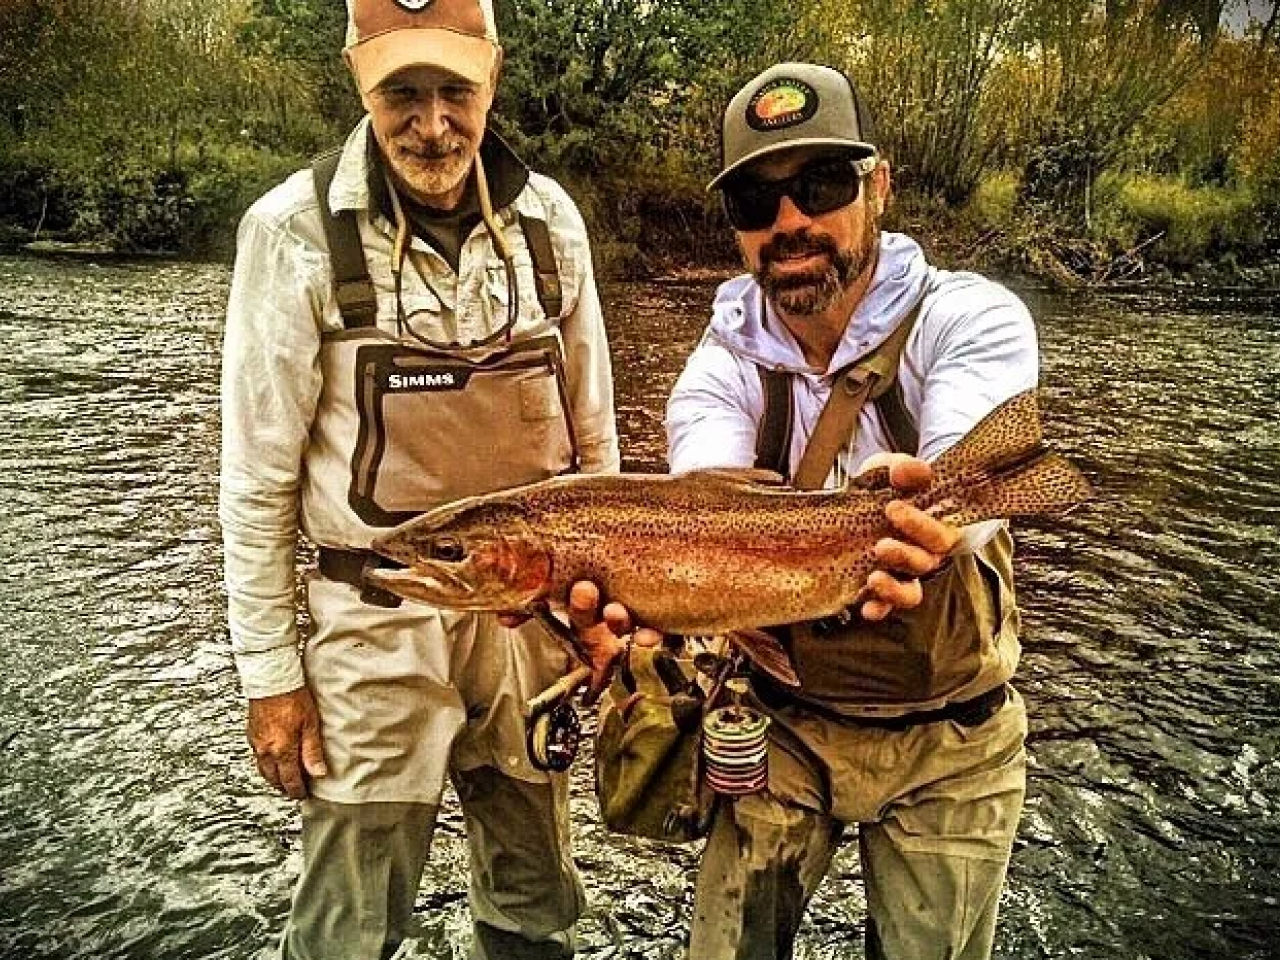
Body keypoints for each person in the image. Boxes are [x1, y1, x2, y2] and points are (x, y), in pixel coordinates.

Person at [569, 62, 1039, 960]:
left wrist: (927, 524)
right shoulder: (721, 364)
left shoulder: (969, 319)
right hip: (781, 727)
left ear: (879, 186)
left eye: (820, 186)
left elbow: (969, 485)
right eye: (756, 199)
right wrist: (652, 596)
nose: (790, 222)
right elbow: (703, 510)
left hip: (954, 740)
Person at [218, 1, 618, 958]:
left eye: (454, 91)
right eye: (402, 92)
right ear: (359, 76)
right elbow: (256, 479)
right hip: (370, 619)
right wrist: (272, 676)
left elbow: (596, 445)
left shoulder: (552, 221)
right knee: (353, 910)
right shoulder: (290, 233)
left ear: (494, 74)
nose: (432, 124)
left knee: (532, 886)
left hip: (531, 621)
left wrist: (603, 614)